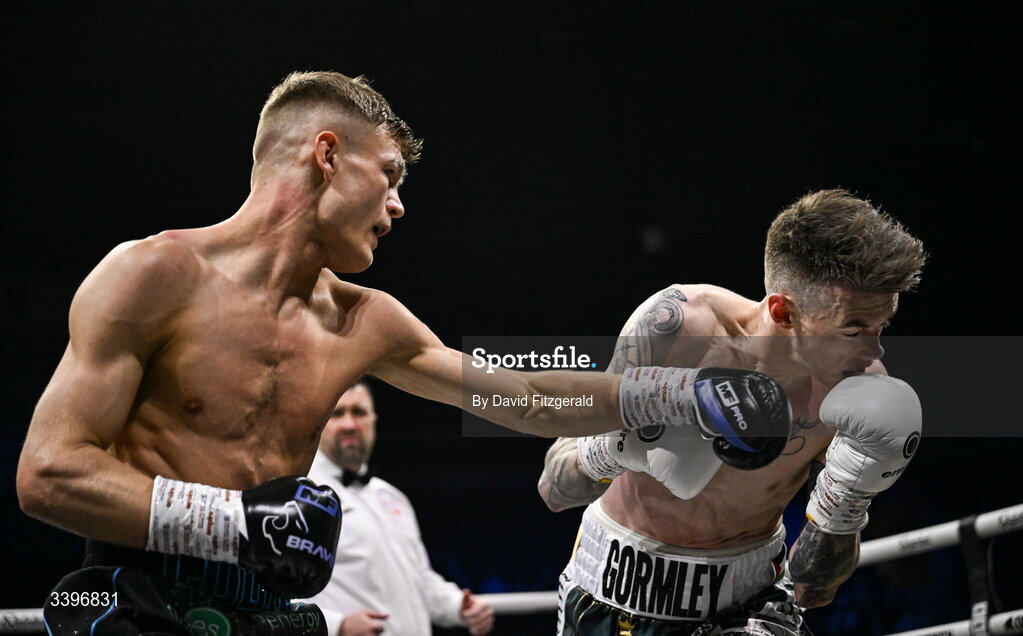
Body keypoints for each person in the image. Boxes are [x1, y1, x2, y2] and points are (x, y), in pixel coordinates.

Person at [16, 71, 789, 634]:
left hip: (269, 608)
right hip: (122, 591)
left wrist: (669, 397)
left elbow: (513, 396)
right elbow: (45, 473)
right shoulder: (152, 274)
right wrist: (231, 521)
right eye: (387, 176)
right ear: (325, 154)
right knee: (78, 606)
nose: (398, 205)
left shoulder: (366, 320)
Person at [538, 189, 926, 635]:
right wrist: (613, 448)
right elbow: (554, 489)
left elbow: (812, 584)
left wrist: (846, 498)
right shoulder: (677, 328)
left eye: (882, 327)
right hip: (617, 583)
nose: (873, 349)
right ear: (784, 312)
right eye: (853, 329)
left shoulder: (858, 387)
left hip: (753, 598)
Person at [301, 379, 494, 636]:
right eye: (337, 413)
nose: (349, 424)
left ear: (373, 421)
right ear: (320, 422)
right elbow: (275, 591)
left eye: (358, 412)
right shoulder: (300, 495)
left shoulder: (391, 497)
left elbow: (420, 579)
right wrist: (337, 625)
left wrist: (458, 605)